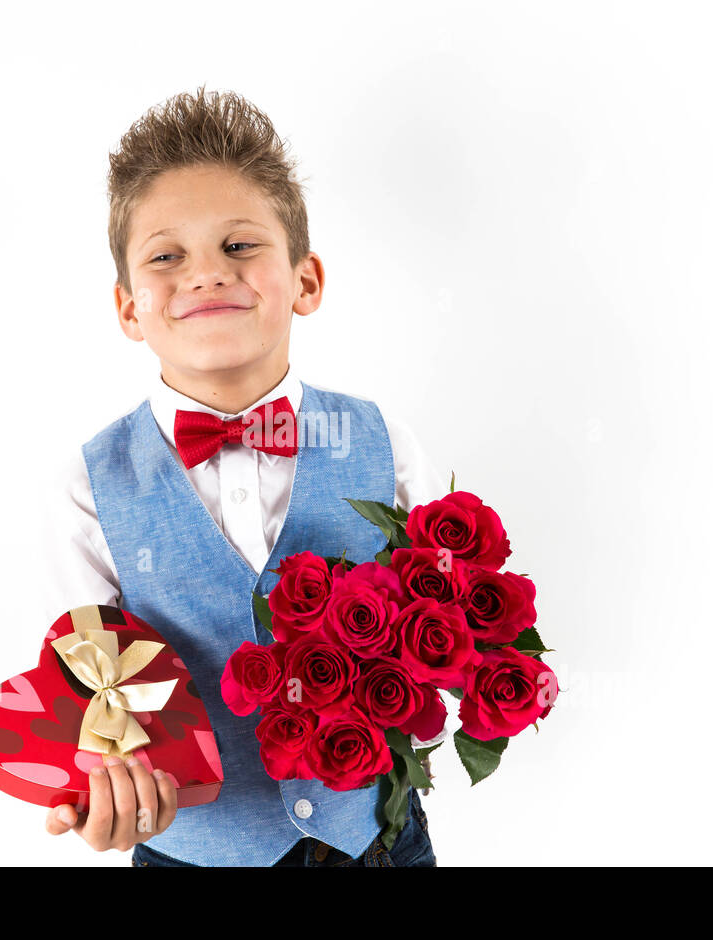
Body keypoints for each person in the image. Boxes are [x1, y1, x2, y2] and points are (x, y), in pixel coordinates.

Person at [43, 86, 449, 866]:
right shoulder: (86, 490)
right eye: (167, 256)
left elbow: (440, 635)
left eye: (239, 246)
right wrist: (101, 785)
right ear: (129, 309)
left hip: (380, 843)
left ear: (305, 280)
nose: (205, 275)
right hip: (189, 851)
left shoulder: (384, 444)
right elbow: (92, 701)